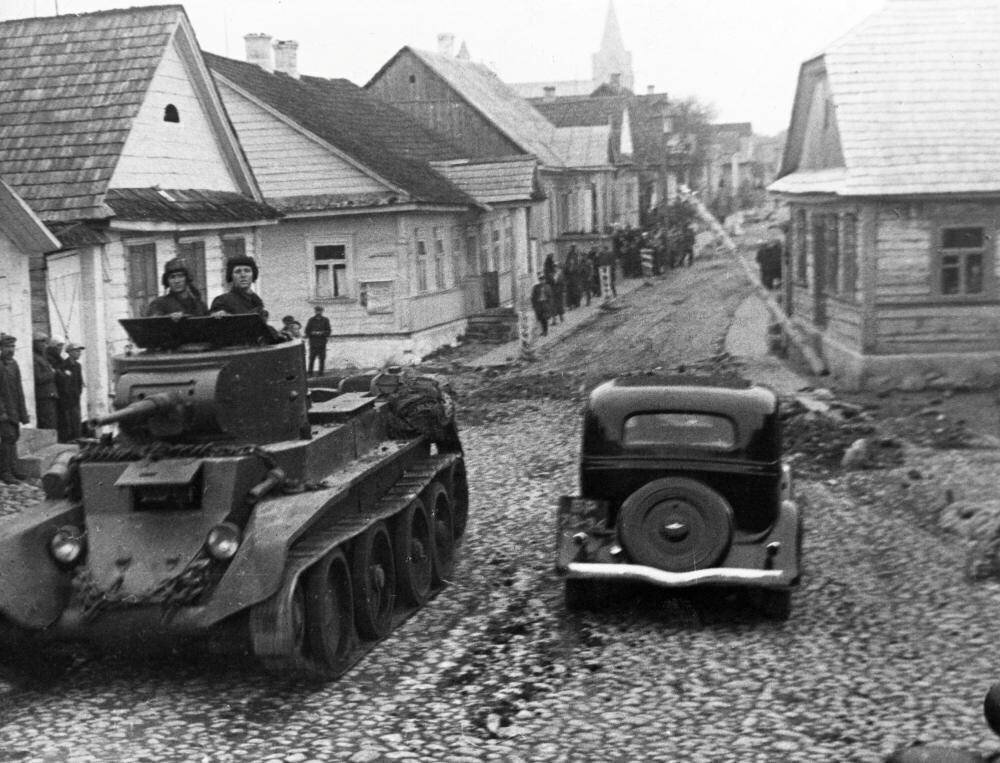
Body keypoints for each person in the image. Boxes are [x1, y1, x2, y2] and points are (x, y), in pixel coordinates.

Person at [0, 334, 30, 485]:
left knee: (14, 437)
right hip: (4, 410)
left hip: (14, 408)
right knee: (8, 438)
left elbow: (19, 390)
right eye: (7, 347)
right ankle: (5, 472)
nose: (10, 350)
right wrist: (2, 412)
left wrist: (23, 413)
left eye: (12, 347)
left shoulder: (13, 364)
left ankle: (13, 468)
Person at [56, 342, 84, 442]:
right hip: (66, 400)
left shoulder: (78, 366)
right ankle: (68, 440)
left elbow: (79, 382)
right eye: (76, 351)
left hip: (75, 398)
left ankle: (77, 439)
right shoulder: (63, 365)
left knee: (76, 420)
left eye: (79, 351)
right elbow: (62, 383)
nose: (79, 353)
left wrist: (78, 393)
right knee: (68, 422)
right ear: (70, 352)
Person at [32, 333, 58, 430]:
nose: (44, 345)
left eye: (45, 342)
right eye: (41, 342)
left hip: (50, 394)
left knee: (52, 421)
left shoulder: (43, 357)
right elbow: (38, 378)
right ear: (35, 343)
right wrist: (52, 373)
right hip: (44, 395)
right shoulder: (35, 358)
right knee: (47, 422)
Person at [304, 305, 332, 376]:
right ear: (315, 311)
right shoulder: (311, 320)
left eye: (320, 311)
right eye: (317, 311)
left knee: (322, 358)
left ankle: (321, 373)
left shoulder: (325, 320)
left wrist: (322, 333)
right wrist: (313, 333)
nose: (318, 312)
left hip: (322, 343)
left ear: (322, 311)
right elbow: (307, 331)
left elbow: (328, 331)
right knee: (312, 358)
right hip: (313, 343)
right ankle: (310, 373)